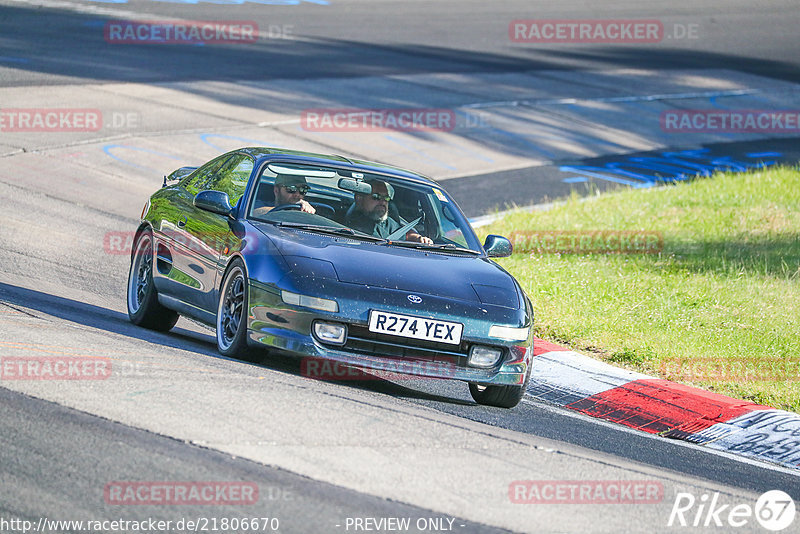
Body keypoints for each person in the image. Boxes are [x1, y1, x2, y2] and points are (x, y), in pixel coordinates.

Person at [345, 180, 433, 243]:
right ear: (359, 199)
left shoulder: (385, 221)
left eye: (386, 198)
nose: (383, 202)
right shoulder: (354, 222)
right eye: (376, 196)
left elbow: (403, 233)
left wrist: (419, 239)